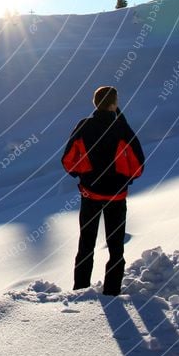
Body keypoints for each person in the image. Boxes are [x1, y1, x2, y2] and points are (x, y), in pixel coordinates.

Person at [61, 86, 145, 296]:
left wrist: (84, 175)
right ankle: (111, 292)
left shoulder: (84, 126)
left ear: (95, 103)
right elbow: (138, 165)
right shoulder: (121, 128)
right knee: (116, 247)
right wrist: (124, 179)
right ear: (114, 103)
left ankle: (80, 290)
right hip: (116, 197)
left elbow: (68, 161)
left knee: (85, 245)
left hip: (89, 195)